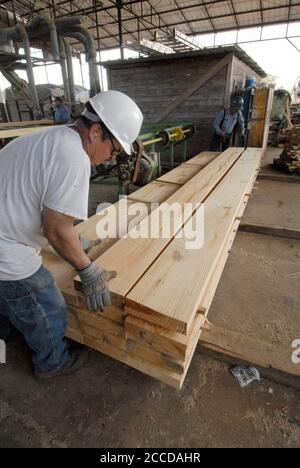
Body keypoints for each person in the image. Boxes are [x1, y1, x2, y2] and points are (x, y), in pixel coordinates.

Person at [0, 90, 143, 379]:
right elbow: (55, 228)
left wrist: (76, 242)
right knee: (48, 304)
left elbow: (35, 203)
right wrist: (88, 270)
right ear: (95, 131)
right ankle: (53, 363)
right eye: (114, 150)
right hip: (6, 249)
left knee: (8, 301)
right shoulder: (73, 158)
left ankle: (8, 331)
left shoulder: (50, 137)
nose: (109, 159)